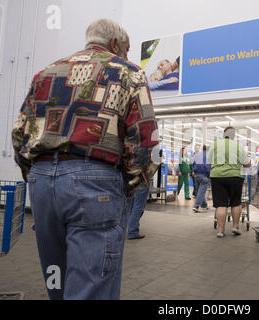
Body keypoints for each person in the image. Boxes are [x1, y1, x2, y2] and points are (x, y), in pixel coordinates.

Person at [11, 19, 159, 300]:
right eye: (126, 48)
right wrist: (129, 184)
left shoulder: (46, 73)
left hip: (42, 184)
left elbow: (20, 133)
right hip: (96, 183)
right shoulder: (128, 73)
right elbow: (144, 137)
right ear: (115, 44)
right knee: (92, 285)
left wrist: (33, 173)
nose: (126, 55)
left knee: (55, 276)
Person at [208, 127, 251, 238]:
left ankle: (220, 230)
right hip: (235, 176)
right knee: (236, 202)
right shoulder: (238, 146)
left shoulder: (215, 145)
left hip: (217, 176)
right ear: (233, 135)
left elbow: (209, 160)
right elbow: (246, 163)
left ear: (224, 134)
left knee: (221, 204)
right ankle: (235, 227)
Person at [192, 145, 211, 212]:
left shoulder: (197, 155)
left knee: (199, 191)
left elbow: (193, 163)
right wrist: (209, 174)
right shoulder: (209, 156)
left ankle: (204, 205)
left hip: (196, 175)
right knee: (201, 192)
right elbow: (207, 166)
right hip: (204, 175)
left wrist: (194, 171)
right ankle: (196, 206)